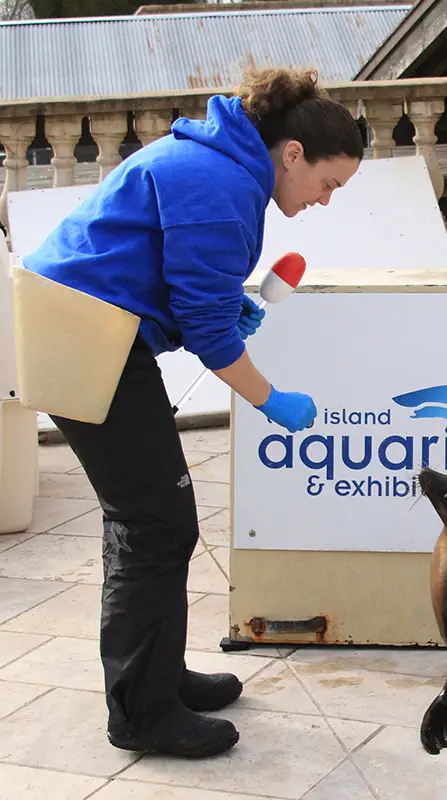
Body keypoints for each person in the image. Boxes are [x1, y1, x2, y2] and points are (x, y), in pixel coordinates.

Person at [21, 65, 364, 759]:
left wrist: (216, 302)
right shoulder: (221, 182)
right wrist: (272, 400)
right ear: (292, 154)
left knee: (160, 523)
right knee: (154, 524)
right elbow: (208, 334)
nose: (325, 201)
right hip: (80, 340)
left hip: (91, 332)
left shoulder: (217, 164)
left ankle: (159, 678)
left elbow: (176, 281)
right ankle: (142, 715)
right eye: (328, 185)